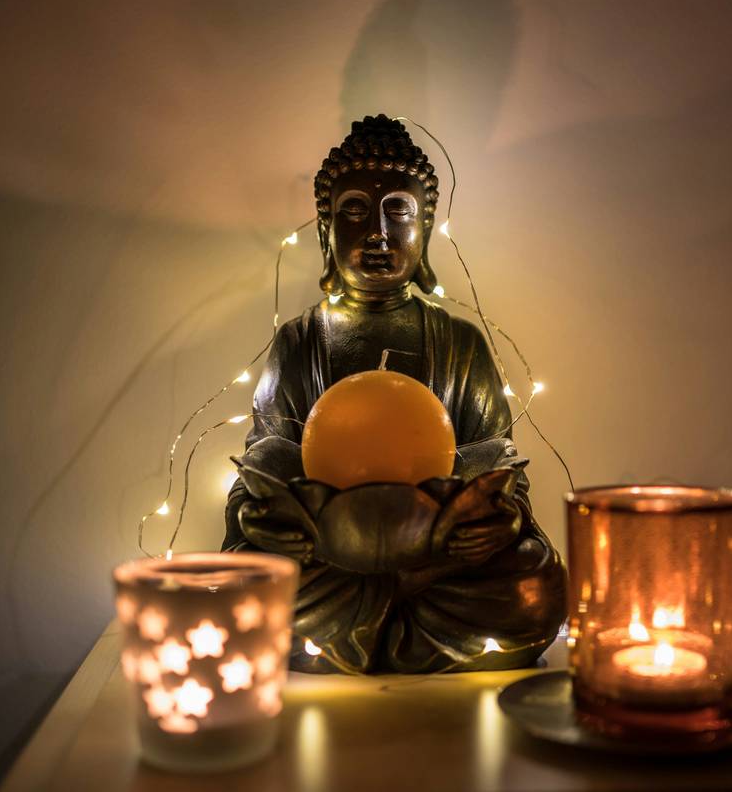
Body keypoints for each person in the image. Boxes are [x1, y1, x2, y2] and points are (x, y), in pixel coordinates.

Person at [223, 115, 566, 672]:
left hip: (436, 557)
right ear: (327, 231)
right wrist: (257, 517)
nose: (378, 232)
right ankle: (401, 627)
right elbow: (262, 466)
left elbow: (502, 469)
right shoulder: (299, 341)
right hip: (329, 557)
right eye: (354, 210)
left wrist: (501, 520)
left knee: (534, 583)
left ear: (424, 230)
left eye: (399, 211)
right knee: (242, 580)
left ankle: (360, 631)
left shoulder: (460, 342)